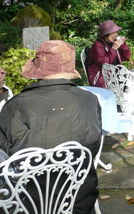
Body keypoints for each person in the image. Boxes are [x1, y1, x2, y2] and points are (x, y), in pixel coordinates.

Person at [0, 40, 102, 214]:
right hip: (78, 195)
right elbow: (93, 146)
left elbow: (4, 154)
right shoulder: (89, 100)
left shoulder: (16, 105)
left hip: (24, 201)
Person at [87, 20, 131, 88]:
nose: (116, 35)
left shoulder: (112, 43)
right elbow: (104, 63)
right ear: (106, 34)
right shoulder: (97, 45)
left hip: (115, 75)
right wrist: (114, 48)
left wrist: (123, 45)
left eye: (116, 32)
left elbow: (126, 57)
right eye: (113, 32)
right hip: (101, 78)